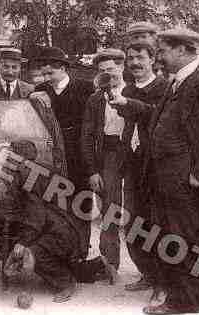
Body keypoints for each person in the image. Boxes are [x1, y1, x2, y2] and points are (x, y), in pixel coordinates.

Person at [110, 28, 199, 315]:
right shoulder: (177, 83)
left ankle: (190, 300)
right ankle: (186, 296)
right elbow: (159, 121)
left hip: (191, 183)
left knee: (191, 240)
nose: (158, 56)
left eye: (161, 51)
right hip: (169, 182)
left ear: (182, 51)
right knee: (177, 237)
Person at [3, 139, 117, 303]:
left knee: (33, 253)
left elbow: (37, 218)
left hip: (62, 235)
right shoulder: (42, 170)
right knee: (64, 263)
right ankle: (99, 265)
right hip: (71, 231)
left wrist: (22, 242)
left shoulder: (27, 177)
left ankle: (65, 284)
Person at [33, 46, 95, 260]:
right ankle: (58, 252)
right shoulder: (41, 89)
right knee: (55, 202)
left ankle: (81, 251)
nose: (47, 77)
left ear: (63, 68)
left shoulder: (85, 88)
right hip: (51, 155)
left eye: (51, 72)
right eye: (44, 73)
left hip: (78, 153)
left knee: (82, 201)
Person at [121, 40, 168, 293]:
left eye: (140, 57)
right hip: (133, 164)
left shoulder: (164, 88)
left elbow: (157, 116)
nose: (135, 63)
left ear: (152, 60)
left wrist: (129, 105)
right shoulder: (127, 90)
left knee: (157, 223)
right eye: (131, 58)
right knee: (133, 223)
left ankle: (162, 281)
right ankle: (147, 273)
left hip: (157, 165)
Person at [0, 48, 34, 260]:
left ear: (20, 69)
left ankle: (15, 247)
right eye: (6, 66)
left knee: (20, 201)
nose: (10, 71)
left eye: (14, 67)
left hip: (21, 155)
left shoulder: (30, 90)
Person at [81, 49, 127, 271]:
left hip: (134, 155)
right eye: (102, 71)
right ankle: (109, 264)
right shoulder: (95, 99)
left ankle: (149, 271)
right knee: (109, 211)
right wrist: (92, 170)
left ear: (121, 68)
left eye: (111, 69)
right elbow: (87, 137)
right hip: (108, 156)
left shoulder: (136, 92)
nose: (108, 75)